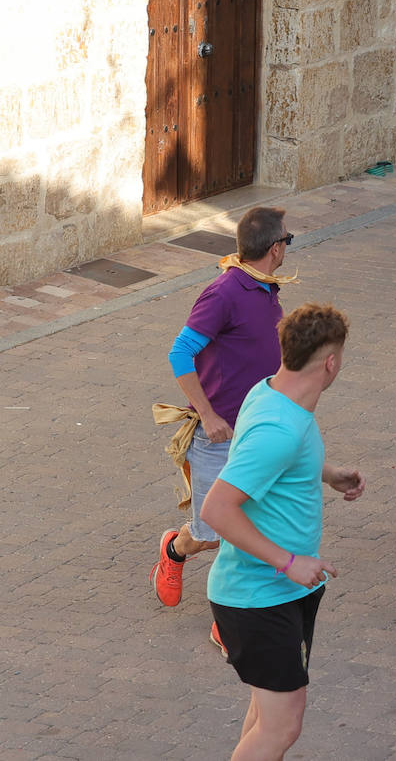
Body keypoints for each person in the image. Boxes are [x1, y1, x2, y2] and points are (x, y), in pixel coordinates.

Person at [201, 303, 365, 761]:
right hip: (257, 597)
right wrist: (289, 562)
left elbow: (269, 462)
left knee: (266, 718)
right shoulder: (280, 426)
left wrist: (326, 473)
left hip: (277, 596)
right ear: (331, 362)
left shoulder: (272, 393)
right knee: (282, 726)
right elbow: (217, 509)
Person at [149, 206, 296, 651]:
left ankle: (229, 623)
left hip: (257, 433)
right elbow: (180, 354)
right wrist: (209, 416)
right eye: (288, 241)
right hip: (218, 438)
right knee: (213, 536)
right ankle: (175, 548)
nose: (288, 247)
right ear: (275, 248)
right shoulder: (225, 292)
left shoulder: (266, 289)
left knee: (250, 529)